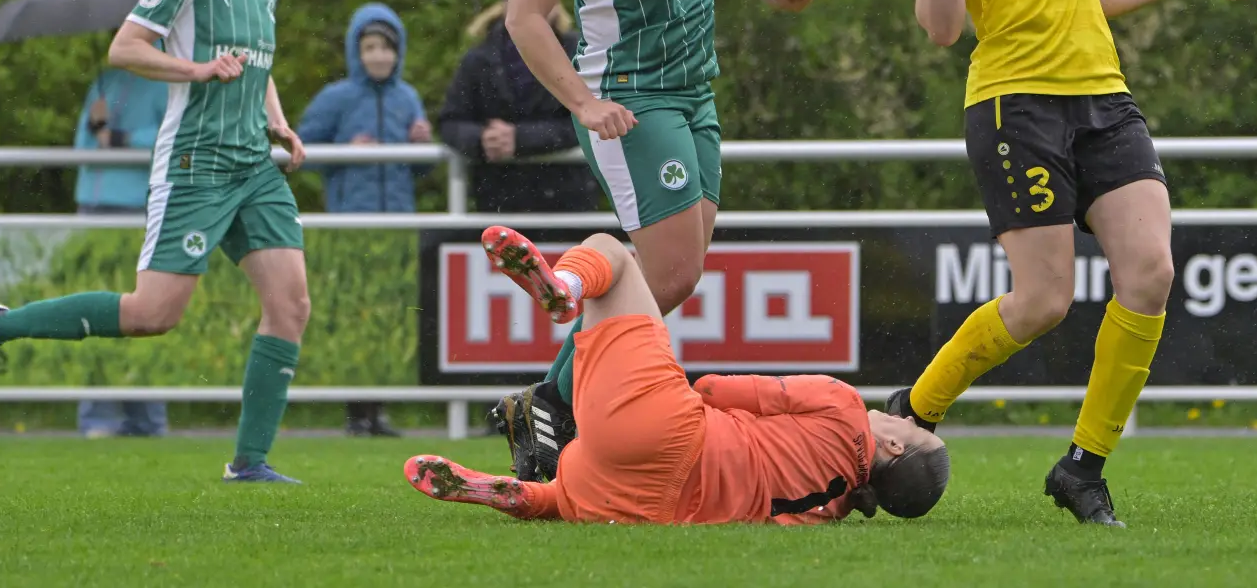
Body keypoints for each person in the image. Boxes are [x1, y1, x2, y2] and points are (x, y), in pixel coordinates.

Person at [884, 0, 1257, 527]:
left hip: (1102, 98)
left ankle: (1082, 468)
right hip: (1015, 108)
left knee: (1151, 273)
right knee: (1043, 303)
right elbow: (942, 28)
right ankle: (915, 407)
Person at [493, 0, 816, 480]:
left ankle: (545, 392)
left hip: (696, 91)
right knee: (668, 277)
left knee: (682, 266)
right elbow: (523, 17)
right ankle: (556, 399)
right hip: (629, 100)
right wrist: (583, 102)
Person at [0, 0, 311, 484]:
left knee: (291, 303)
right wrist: (196, 69)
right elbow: (126, 46)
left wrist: (276, 120)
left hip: (253, 164)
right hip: (195, 163)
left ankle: (249, 463)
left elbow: (258, 62)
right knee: (152, 314)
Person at [404, 226, 949, 525]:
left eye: (912, 426)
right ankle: (527, 496)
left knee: (613, 254)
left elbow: (710, 388)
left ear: (895, 450)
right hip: (653, 505)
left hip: (671, 432)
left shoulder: (844, 404)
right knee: (574, 496)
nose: (898, 414)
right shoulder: (827, 512)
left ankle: (566, 288)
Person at [297, 2, 434, 437]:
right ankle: (356, 413)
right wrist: (343, 153)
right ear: (356, 52)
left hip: (397, 224)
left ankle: (380, 413)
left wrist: (421, 145)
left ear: (398, 52)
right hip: (351, 222)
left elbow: (424, 171)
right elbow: (299, 151)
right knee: (356, 314)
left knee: (390, 316)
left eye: (386, 48)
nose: (378, 56)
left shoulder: (407, 97)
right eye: (370, 47)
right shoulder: (336, 98)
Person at [73, 62, 171, 438]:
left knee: (143, 312)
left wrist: (119, 137)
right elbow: (83, 147)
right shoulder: (102, 79)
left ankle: (147, 419)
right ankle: (98, 418)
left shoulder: (166, 78)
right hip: (92, 208)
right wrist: (96, 128)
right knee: (94, 311)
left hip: (138, 208)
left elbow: (172, 138)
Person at [437, 0, 599, 215]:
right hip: (499, 201)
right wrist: (482, 139)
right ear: (506, 5)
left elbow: (591, 119)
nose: (539, 8)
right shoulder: (478, 60)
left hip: (568, 203)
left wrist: (520, 138)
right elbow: (450, 121)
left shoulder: (580, 54)